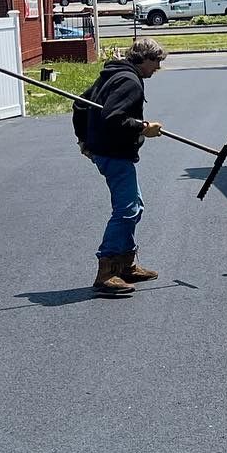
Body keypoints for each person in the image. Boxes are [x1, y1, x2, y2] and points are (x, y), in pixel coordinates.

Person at [80, 38, 166, 297]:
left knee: (135, 206)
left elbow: (80, 104)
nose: (158, 69)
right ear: (145, 59)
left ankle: (126, 264)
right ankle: (106, 271)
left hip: (105, 151)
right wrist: (143, 128)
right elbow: (112, 117)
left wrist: (83, 140)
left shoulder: (112, 73)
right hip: (114, 153)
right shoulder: (129, 81)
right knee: (127, 210)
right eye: (157, 63)